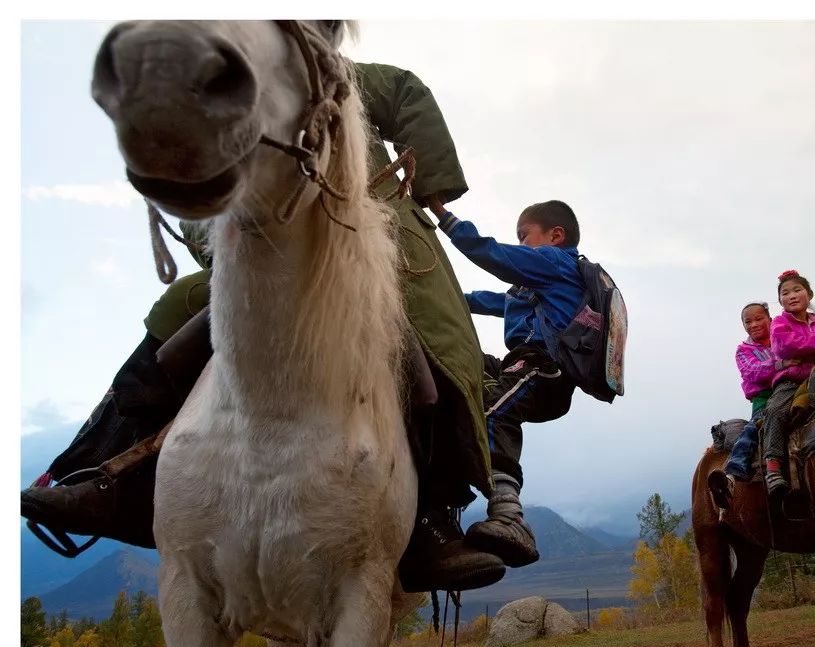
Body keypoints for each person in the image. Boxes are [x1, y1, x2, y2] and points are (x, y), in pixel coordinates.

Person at [21, 62, 506, 593]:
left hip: (370, 242)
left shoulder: (344, 78)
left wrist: (426, 187)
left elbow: (408, 94)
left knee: (432, 347)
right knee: (176, 306)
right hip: (264, 255)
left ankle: (431, 524)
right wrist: (218, 229)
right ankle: (99, 475)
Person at [426, 197, 586, 568]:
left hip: (543, 368)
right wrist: (442, 299)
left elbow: (495, 255)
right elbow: (491, 300)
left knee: (492, 414)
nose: (521, 244)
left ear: (555, 236)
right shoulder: (532, 292)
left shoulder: (557, 263)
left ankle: (510, 518)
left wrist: (443, 216)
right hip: (517, 366)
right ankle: (446, 477)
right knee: (457, 366)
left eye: (525, 236)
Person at [760, 270, 815, 496]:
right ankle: (773, 464)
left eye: (797, 290)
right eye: (785, 293)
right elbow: (785, 346)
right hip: (792, 381)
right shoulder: (778, 323)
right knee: (775, 411)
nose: (792, 295)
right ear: (780, 301)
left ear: (810, 294)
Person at [707, 301, 779, 509]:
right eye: (748, 321)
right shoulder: (744, 351)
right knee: (752, 430)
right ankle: (733, 472)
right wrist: (781, 362)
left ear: (770, 319)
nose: (754, 324)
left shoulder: (783, 337)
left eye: (759, 319)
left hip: (794, 386)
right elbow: (753, 373)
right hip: (764, 399)